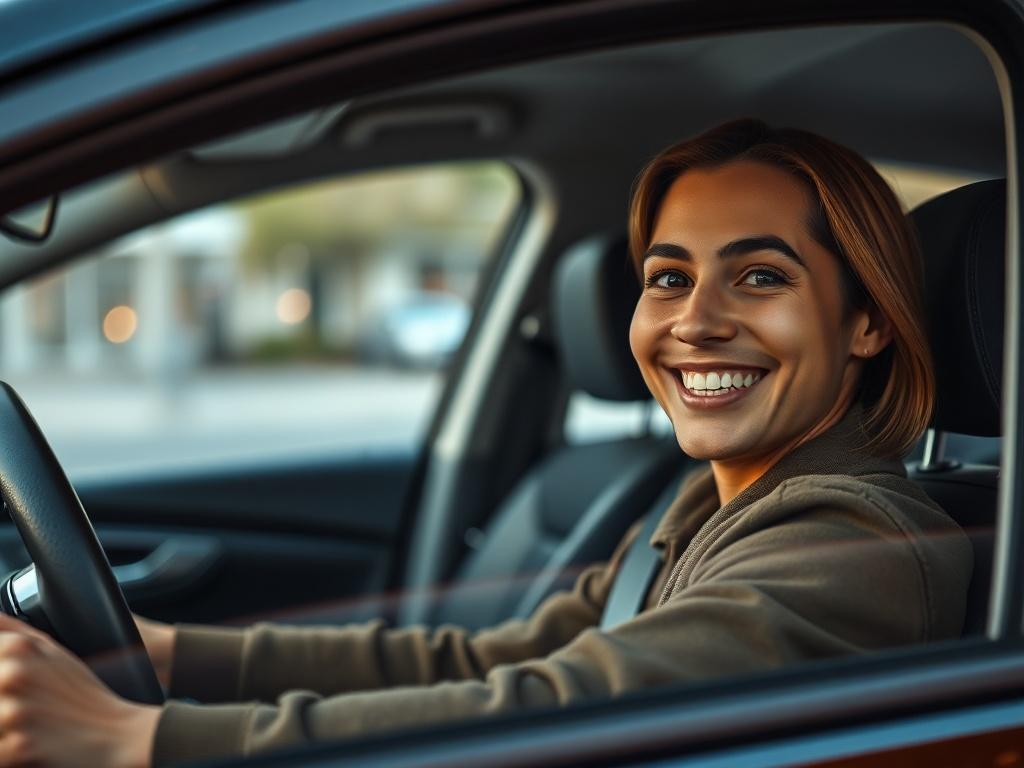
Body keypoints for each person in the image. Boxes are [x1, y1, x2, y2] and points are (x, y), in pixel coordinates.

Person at [0, 119, 972, 767]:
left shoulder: (860, 542)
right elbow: (488, 659)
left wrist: (137, 743)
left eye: (760, 277)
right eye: (669, 278)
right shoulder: (703, 505)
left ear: (866, 322)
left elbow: (570, 707)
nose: (695, 320)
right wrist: (173, 655)